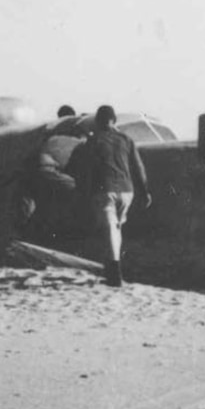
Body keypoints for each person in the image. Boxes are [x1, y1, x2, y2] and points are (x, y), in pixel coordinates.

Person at [67, 106, 151, 286]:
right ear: (115, 121)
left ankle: (114, 274)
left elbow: (86, 170)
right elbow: (139, 169)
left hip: (105, 190)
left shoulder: (94, 140)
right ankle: (113, 268)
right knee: (117, 228)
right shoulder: (127, 140)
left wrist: (83, 193)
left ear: (97, 121)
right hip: (127, 192)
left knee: (110, 230)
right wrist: (145, 192)